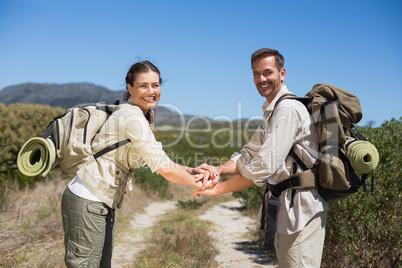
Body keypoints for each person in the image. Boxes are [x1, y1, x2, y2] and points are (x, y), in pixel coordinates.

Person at [193, 48, 329, 267]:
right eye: (256, 74)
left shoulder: (287, 109)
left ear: (282, 73)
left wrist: (219, 189)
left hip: (302, 210)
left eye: (267, 72)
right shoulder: (273, 111)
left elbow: (265, 165)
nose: (261, 79)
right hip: (287, 208)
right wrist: (217, 170)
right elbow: (248, 155)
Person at [61, 60, 203, 268]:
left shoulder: (140, 116)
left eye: (155, 85)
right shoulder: (132, 118)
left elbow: (163, 160)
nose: (151, 91)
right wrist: (205, 186)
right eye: (143, 86)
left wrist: (193, 171)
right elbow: (164, 169)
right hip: (88, 199)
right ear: (130, 88)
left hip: (100, 202)